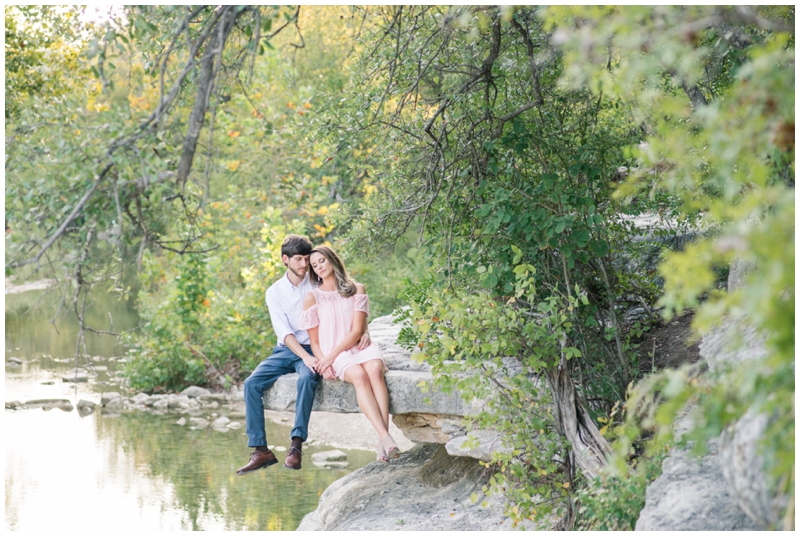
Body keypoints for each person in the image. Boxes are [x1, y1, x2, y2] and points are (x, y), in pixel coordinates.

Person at [236, 235, 371, 475]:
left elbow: (348, 302)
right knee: (251, 384)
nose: (305, 264)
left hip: (316, 347)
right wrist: (305, 357)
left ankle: (296, 447)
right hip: (286, 349)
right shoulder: (274, 292)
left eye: (307, 259)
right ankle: (260, 450)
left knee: (307, 378)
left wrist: (364, 330)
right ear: (285, 260)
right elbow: (284, 331)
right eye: (299, 259)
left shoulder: (318, 284)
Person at [299, 245, 400, 463]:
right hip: (336, 354)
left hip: (358, 347)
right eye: (314, 266)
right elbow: (315, 341)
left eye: (321, 262)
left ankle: (382, 442)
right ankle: (385, 438)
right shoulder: (312, 298)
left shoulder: (357, 289)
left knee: (375, 370)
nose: (319, 268)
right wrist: (325, 361)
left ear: (332, 260)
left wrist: (364, 332)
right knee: (360, 377)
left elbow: (356, 330)